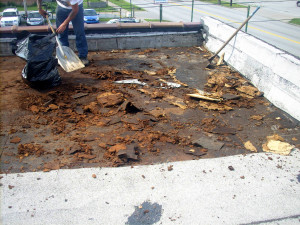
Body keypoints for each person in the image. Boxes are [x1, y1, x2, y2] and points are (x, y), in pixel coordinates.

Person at [37, 0, 89, 66]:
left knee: (79, 32)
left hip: (77, 7)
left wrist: (64, 24)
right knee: (61, 33)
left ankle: (83, 56)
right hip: (61, 7)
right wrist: (40, 9)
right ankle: (64, 56)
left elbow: (75, 10)